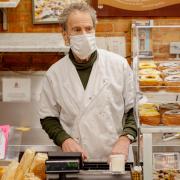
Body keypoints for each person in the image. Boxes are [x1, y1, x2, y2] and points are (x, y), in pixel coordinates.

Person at [39, 2, 137, 161]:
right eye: (77, 30)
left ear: (94, 31)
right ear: (65, 35)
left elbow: (135, 109)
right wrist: (64, 139)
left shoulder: (118, 65)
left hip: (116, 156)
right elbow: (47, 117)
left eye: (88, 29)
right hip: (75, 158)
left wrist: (126, 138)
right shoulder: (55, 74)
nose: (84, 34)